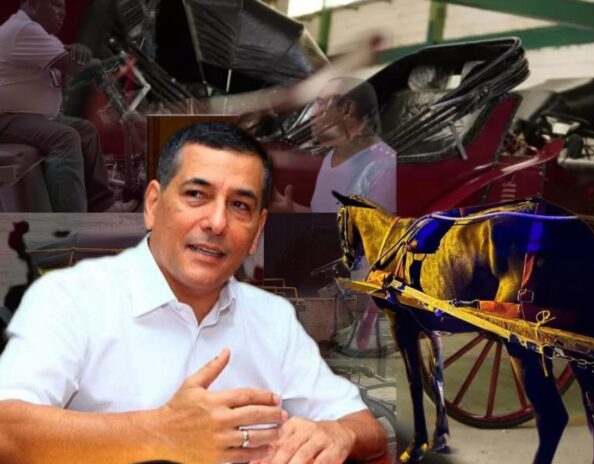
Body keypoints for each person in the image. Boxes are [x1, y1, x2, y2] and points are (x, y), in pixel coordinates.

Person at [0, 121, 387, 463]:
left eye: (239, 205)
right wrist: (161, 433)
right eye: (196, 195)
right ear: (153, 204)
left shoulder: (272, 317)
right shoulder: (70, 298)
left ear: (257, 229)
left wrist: (336, 433)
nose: (217, 222)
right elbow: (7, 432)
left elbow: (363, 425)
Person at [0, 0, 137, 212]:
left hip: (31, 116)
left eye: (64, 7)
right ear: (34, 5)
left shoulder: (40, 33)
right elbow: (73, 66)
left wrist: (77, 51)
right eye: (56, 5)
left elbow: (70, 57)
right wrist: (94, 64)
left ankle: (102, 206)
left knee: (86, 131)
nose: (62, 13)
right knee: (64, 138)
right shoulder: (24, 30)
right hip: (7, 118)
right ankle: (69, 222)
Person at [270, 77, 396, 213]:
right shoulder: (331, 156)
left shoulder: (384, 167)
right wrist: (291, 211)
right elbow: (321, 214)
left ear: (347, 110)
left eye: (321, 103)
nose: (312, 114)